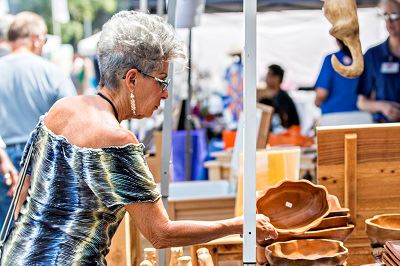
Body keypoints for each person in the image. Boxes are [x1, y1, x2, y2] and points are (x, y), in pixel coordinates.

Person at [0, 11, 278, 265]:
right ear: (132, 79)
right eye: (162, 80)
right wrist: (239, 224)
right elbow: (161, 233)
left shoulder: (61, 109)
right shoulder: (116, 140)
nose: (165, 94)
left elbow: (23, 193)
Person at [0, 12, 76, 229]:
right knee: (41, 236)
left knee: (6, 236)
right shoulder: (52, 73)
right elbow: (71, 123)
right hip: (42, 159)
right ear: (35, 38)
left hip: (2, 162)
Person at [357, 0, 400, 122]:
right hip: (384, 128)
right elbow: (362, 103)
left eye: (394, 15)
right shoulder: (373, 55)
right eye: (385, 15)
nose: (389, 21)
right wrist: (383, 107)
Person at [315, 40, 359, 114]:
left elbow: (321, 94)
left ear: (337, 40)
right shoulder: (364, 59)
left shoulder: (331, 59)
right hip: (362, 115)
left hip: (334, 115)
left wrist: (316, 102)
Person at [257, 64, 300, 129]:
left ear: (277, 78)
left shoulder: (284, 98)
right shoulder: (261, 93)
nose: (267, 77)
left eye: (269, 74)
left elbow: (285, 121)